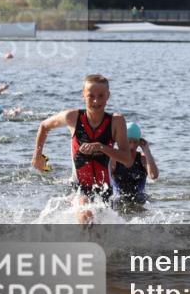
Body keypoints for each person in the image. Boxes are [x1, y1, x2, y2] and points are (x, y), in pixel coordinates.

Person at [31, 74, 133, 211]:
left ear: (108, 95)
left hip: (105, 190)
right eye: (91, 96)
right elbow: (44, 126)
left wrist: (101, 147)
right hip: (79, 189)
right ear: (83, 95)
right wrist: (37, 156)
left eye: (101, 96)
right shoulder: (72, 118)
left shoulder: (116, 122)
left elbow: (127, 160)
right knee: (85, 211)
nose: (96, 101)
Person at [111, 122, 159, 206]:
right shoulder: (114, 158)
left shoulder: (143, 158)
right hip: (118, 200)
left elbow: (154, 176)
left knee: (139, 198)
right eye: (129, 142)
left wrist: (146, 150)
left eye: (135, 142)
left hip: (139, 199)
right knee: (118, 199)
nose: (132, 146)